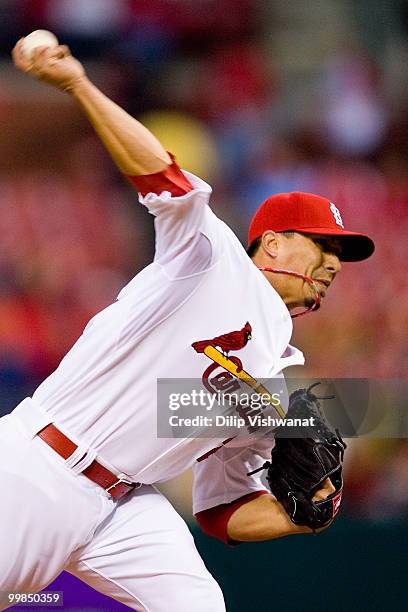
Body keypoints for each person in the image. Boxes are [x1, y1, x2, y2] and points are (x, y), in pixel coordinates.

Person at [0, 41, 375, 611]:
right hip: (43, 468)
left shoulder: (278, 379)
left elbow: (220, 512)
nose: (332, 263)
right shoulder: (210, 257)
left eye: (340, 255)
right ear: (271, 241)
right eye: (323, 244)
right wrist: (78, 84)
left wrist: (299, 516)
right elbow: (162, 177)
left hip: (127, 509)